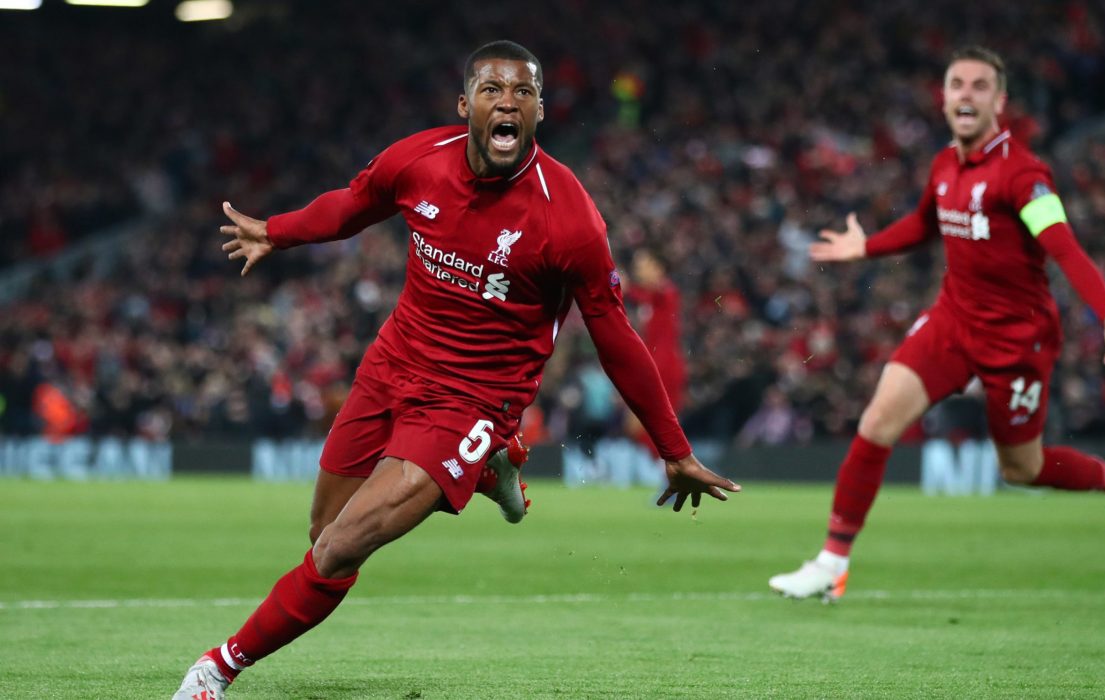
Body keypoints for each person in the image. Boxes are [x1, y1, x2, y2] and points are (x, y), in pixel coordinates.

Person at [174, 40, 739, 699]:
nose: (509, 102)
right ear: (465, 104)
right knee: (323, 533)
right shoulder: (417, 160)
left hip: (472, 399)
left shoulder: (570, 218)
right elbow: (352, 206)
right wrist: (277, 229)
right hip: (392, 365)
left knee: (341, 548)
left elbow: (614, 335)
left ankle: (216, 669)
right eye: (495, 90)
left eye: (523, 92)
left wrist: (673, 448)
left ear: (540, 110)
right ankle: (497, 460)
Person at [768, 46, 1105, 603]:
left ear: (999, 101)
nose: (965, 94)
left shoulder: (1022, 175)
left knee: (1022, 468)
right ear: (943, 97)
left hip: (1017, 340)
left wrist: (1104, 308)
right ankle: (832, 563)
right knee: (876, 422)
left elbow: (1061, 246)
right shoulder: (945, 164)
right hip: (952, 321)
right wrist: (864, 247)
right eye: (956, 84)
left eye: (979, 85)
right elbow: (924, 224)